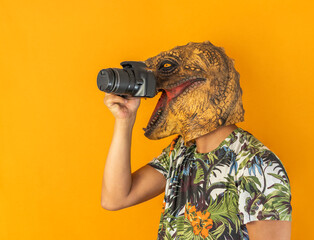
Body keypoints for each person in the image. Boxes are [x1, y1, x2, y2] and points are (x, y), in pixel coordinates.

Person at [101, 41, 292, 240]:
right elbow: (114, 198)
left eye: (168, 68)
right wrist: (125, 120)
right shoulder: (181, 152)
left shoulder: (257, 164)